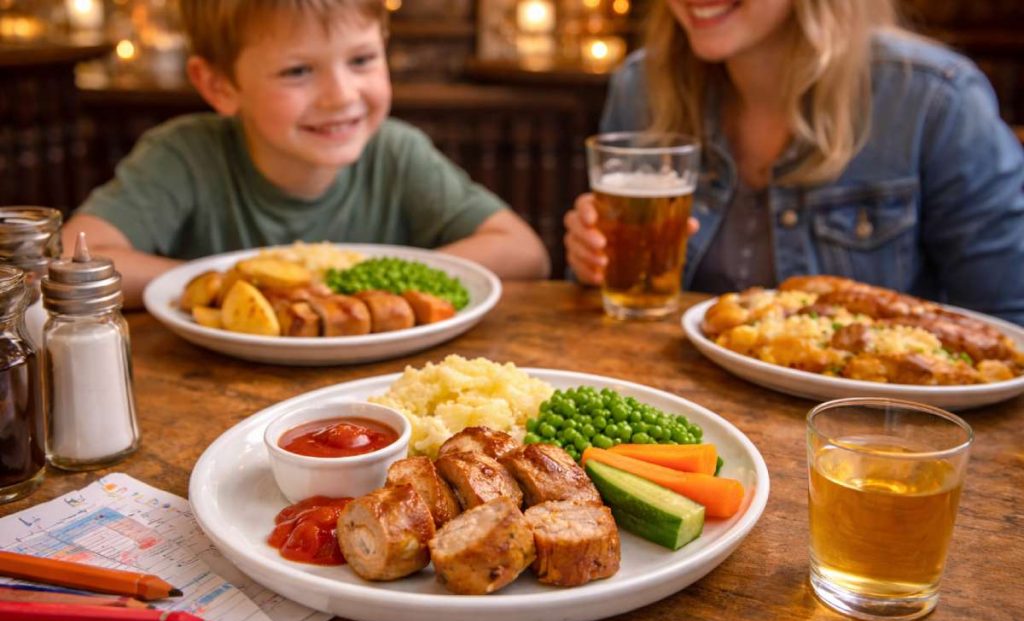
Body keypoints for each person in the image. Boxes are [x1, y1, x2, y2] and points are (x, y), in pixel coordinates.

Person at [564, 0, 1024, 324]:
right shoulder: (641, 85)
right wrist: (591, 262)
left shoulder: (934, 97)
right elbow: (612, 304)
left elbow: (1009, 317)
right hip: (685, 413)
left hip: (872, 437)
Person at [68, 0, 550, 309]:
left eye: (361, 60)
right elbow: (71, 258)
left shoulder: (396, 152)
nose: (341, 96)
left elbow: (524, 251)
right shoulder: (183, 155)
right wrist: (234, 289)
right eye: (298, 71)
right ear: (219, 85)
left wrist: (370, 289)